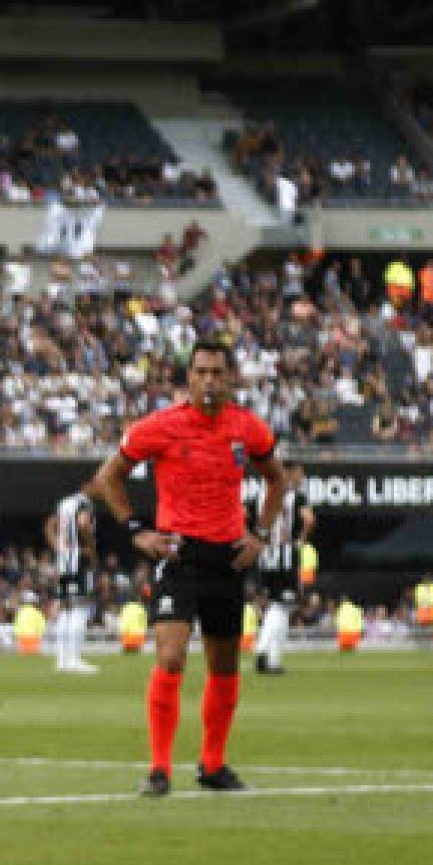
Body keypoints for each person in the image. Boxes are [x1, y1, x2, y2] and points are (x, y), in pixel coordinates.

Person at [88, 339, 287, 796]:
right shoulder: (161, 426)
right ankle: (159, 769)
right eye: (201, 372)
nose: (210, 381)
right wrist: (136, 529)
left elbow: (276, 478)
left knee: (224, 666)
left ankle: (212, 766)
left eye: (218, 372)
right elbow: (109, 475)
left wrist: (259, 533)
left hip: (228, 556)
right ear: (189, 378)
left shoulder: (247, 428)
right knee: (172, 656)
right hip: (178, 555)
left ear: (231, 377)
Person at [251, 461, 315, 676]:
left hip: (264, 554)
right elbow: (309, 519)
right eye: (299, 472)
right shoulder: (295, 495)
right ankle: (262, 650)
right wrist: (300, 541)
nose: (302, 477)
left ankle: (273, 660)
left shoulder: (261, 492)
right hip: (284, 555)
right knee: (282, 605)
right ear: (288, 472)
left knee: (279, 607)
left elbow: (243, 514)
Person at [45, 486, 98, 674]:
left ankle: (62, 659)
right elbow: (83, 524)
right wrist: (91, 546)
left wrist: (59, 547)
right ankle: (74, 659)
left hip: (64, 561)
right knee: (80, 608)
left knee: (66, 609)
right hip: (79, 561)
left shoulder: (64, 503)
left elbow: (50, 524)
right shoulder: (83, 503)